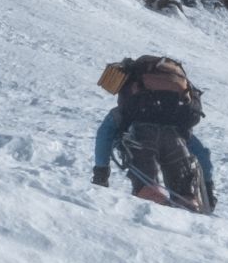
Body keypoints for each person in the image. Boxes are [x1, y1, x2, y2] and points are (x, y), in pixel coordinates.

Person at [91, 54, 215, 213]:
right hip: (175, 139)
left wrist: (101, 172)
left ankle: (153, 230)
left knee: (150, 193)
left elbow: (104, 134)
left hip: (140, 140)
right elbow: (202, 153)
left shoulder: (126, 110)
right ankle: (187, 224)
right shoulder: (175, 114)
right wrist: (208, 186)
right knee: (185, 198)